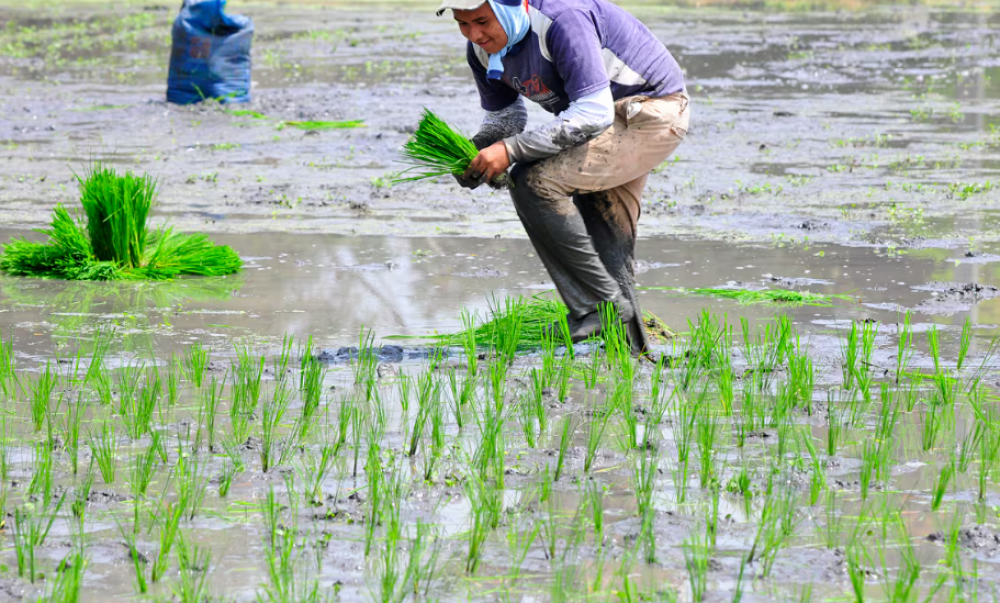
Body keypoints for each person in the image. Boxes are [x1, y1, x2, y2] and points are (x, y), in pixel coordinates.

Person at [439, 0, 688, 354]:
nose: (474, 34)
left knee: (534, 180)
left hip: (650, 111)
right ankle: (630, 355)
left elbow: (592, 113)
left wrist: (508, 152)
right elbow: (505, 119)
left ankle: (594, 307)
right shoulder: (481, 50)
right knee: (608, 241)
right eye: (462, 24)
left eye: (481, 21)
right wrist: (476, 154)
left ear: (513, 6)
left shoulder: (561, 20)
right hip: (601, 124)